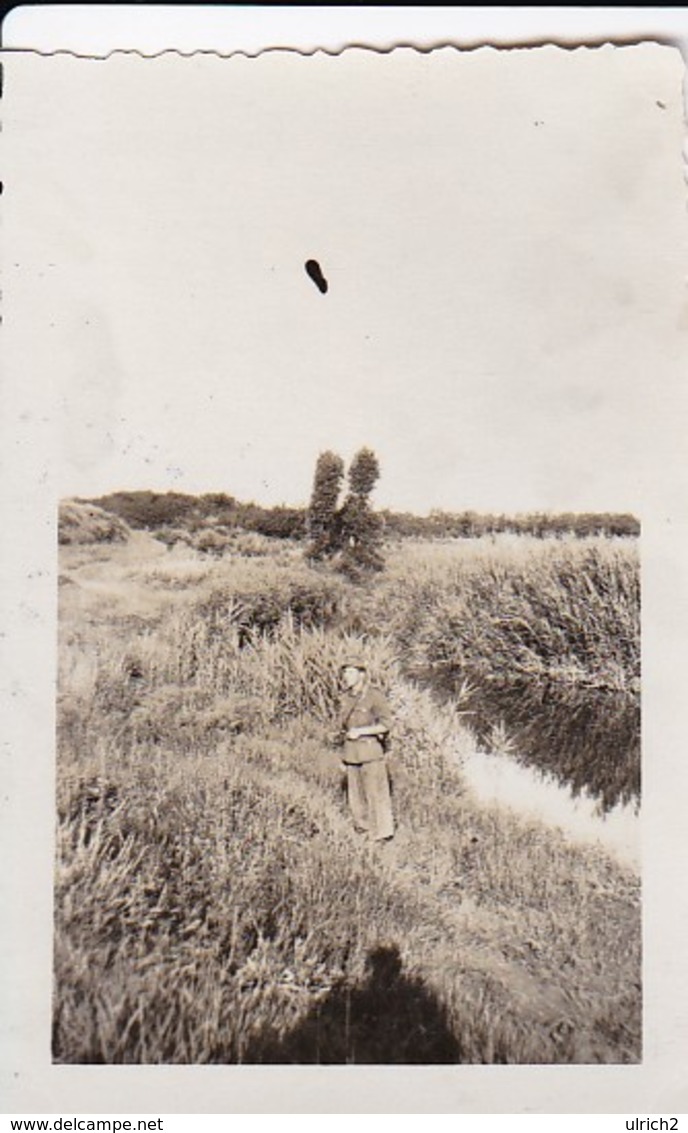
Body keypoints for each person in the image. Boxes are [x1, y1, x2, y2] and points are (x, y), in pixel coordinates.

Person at [337, 658, 394, 842]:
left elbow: (386, 725)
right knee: (355, 797)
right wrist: (342, 756)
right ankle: (362, 831)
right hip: (351, 753)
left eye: (352, 672)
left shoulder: (374, 696)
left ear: (362, 675)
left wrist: (361, 732)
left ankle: (382, 835)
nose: (347, 676)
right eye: (345, 672)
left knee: (376, 795)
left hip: (370, 753)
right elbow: (342, 727)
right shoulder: (345, 697)